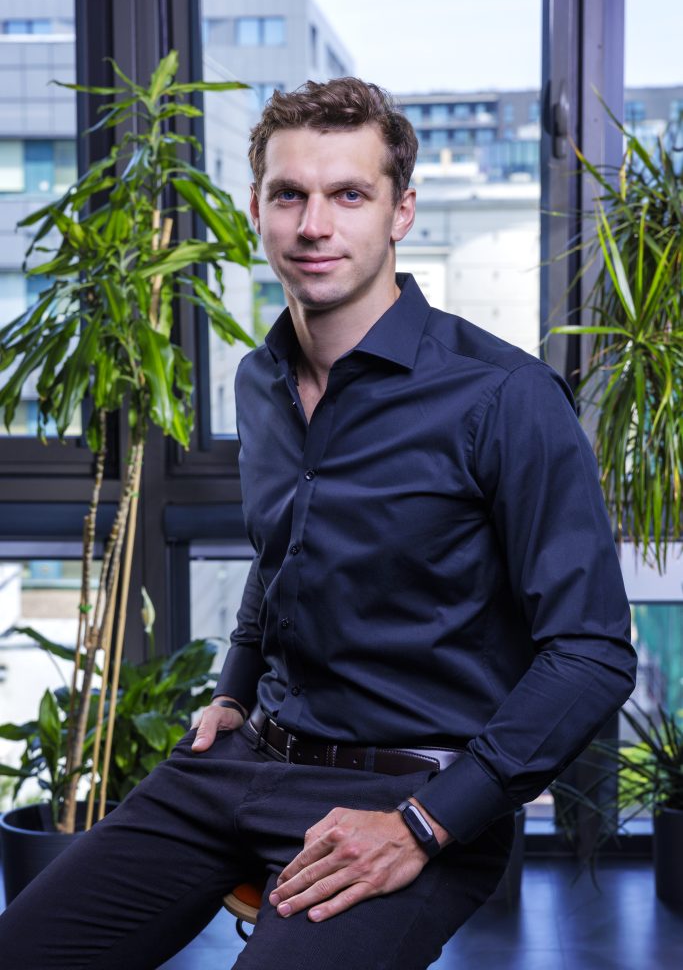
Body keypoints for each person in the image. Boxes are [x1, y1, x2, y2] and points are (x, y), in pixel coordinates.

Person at [0, 77, 637, 970]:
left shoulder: (504, 398)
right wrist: (232, 684)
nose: (314, 224)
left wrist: (425, 821)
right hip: (241, 762)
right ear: (256, 208)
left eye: (349, 194)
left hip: (408, 792)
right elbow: (282, 553)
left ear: (400, 212)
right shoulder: (258, 382)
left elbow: (593, 650)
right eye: (289, 194)